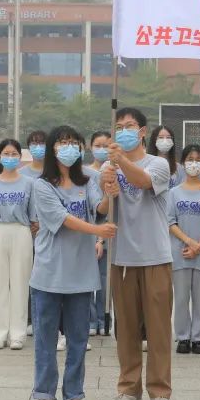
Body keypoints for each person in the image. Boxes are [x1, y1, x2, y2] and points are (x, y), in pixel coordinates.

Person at [29, 126, 116, 400]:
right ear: (53, 148)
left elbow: (99, 207)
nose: (68, 147)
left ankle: (74, 393)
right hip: (49, 273)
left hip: (81, 272)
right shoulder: (42, 185)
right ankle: (44, 392)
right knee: (46, 338)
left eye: (73, 143)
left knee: (79, 338)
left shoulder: (87, 178)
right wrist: (97, 231)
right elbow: (62, 219)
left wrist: (108, 194)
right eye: (62, 142)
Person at [101, 107, 175, 400]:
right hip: (122, 257)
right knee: (127, 330)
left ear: (143, 132)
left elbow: (144, 182)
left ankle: (159, 393)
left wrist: (120, 162)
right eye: (119, 126)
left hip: (155, 255)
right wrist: (108, 188)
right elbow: (102, 208)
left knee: (158, 329)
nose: (124, 131)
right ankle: (129, 390)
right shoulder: (108, 165)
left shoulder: (158, 163)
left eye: (129, 126)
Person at [0, 139, 36, 351]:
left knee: (21, 284)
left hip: (21, 231)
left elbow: (33, 214)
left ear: (20, 157)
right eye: (6, 153)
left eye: (14, 154)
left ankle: (18, 334)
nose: (10, 157)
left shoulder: (29, 183)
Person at [168, 145, 200, 355]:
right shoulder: (174, 193)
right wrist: (189, 242)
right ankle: (182, 337)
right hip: (180, 252)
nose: (194, 163)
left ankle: (198, 338)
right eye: (190, 159)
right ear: (183, 163)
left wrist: (199, 246)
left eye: (198, 159)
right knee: (181, 298)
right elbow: (170, 222)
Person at [86, 130, 113, 336]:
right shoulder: (83, 174)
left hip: (107, 234)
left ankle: (104, 320)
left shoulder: (113, 172)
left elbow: (109, 209)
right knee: (87, 280)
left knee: (104, 280)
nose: (102, 149)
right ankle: (90, 320)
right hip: (87, 233)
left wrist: (101, 238)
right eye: (98, 145)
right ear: (90, 146)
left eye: (106, 146)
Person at [21, 129, 47, 338]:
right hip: (28, 233)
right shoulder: (22, 174)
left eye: (42, 143)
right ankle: (30, 318)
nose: (38, 147)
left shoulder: (54, 172)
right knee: (29, 277)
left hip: (49, 233)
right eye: (34, 143)